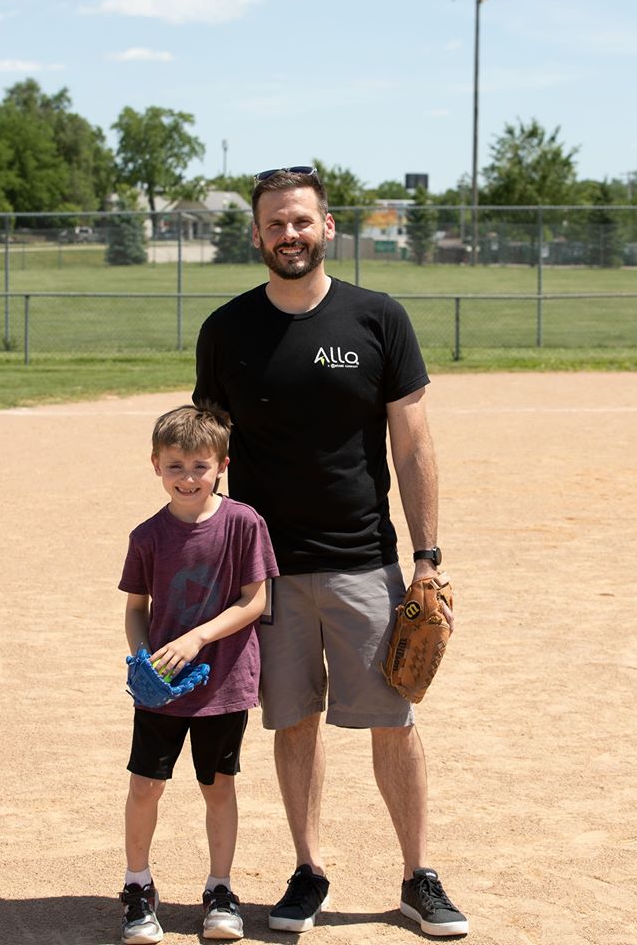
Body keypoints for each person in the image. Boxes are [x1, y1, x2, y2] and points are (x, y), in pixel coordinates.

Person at [193, 167, 468, 938]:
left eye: (302, 221)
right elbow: (210, 451)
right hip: (266, 572)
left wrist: (427, 556)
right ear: (256, 234)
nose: (289, 234)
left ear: (329, 227)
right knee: (293, 722)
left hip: (364, 560)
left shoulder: (377, 318)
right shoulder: (227, 330)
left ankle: (418, 874)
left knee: (393, 717)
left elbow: (413, 446)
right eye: (275, 223)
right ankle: (308, 870)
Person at [117, 403, 279, 943]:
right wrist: (142, 660)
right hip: (161, 689)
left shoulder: (243, 523)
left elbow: (255, 602)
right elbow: (136, 607)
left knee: (218, 786)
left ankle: (220, 890)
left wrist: (198, 636)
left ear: (222, 465)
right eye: (175, 466)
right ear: (155, 466)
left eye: (199, 466)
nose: (188, 478)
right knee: (145, 785)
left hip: (224, 681)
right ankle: (138, 886)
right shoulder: (147, 535)